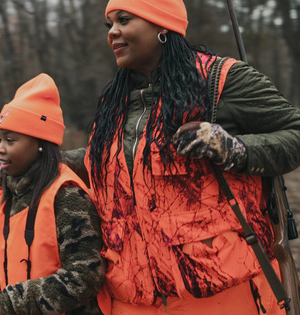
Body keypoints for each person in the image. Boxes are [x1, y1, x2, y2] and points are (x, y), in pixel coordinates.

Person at [61, 0, 300, 314]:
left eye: (124, 20)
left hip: (224, 299)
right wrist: (46, 160)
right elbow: (108, 160)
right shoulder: (115, 102)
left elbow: (293, 134)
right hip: (131, 302)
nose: (113, 32)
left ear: (162, 24)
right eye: (110, 24)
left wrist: (233, 148)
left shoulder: (221, 80)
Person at [0, 73, 105, 315]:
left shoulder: (67, 197)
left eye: (11, 140)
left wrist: (5, 306)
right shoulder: (8, 198)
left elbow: (85, 277)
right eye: (0, 139)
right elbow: (20, 268)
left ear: (40, 144)